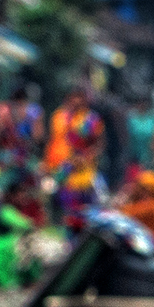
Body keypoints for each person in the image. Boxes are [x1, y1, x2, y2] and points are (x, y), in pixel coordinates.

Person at [43, 78, 105, 234]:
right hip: (62, 169)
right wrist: (48, 164)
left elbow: (98, 144)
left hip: (83, 171)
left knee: (84, 208)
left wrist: (86, 157)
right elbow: (53, 141)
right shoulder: (60, 117)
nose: (76, 100)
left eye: (80, 97)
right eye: (73, 96)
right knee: (63, 206)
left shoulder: (91, 119)